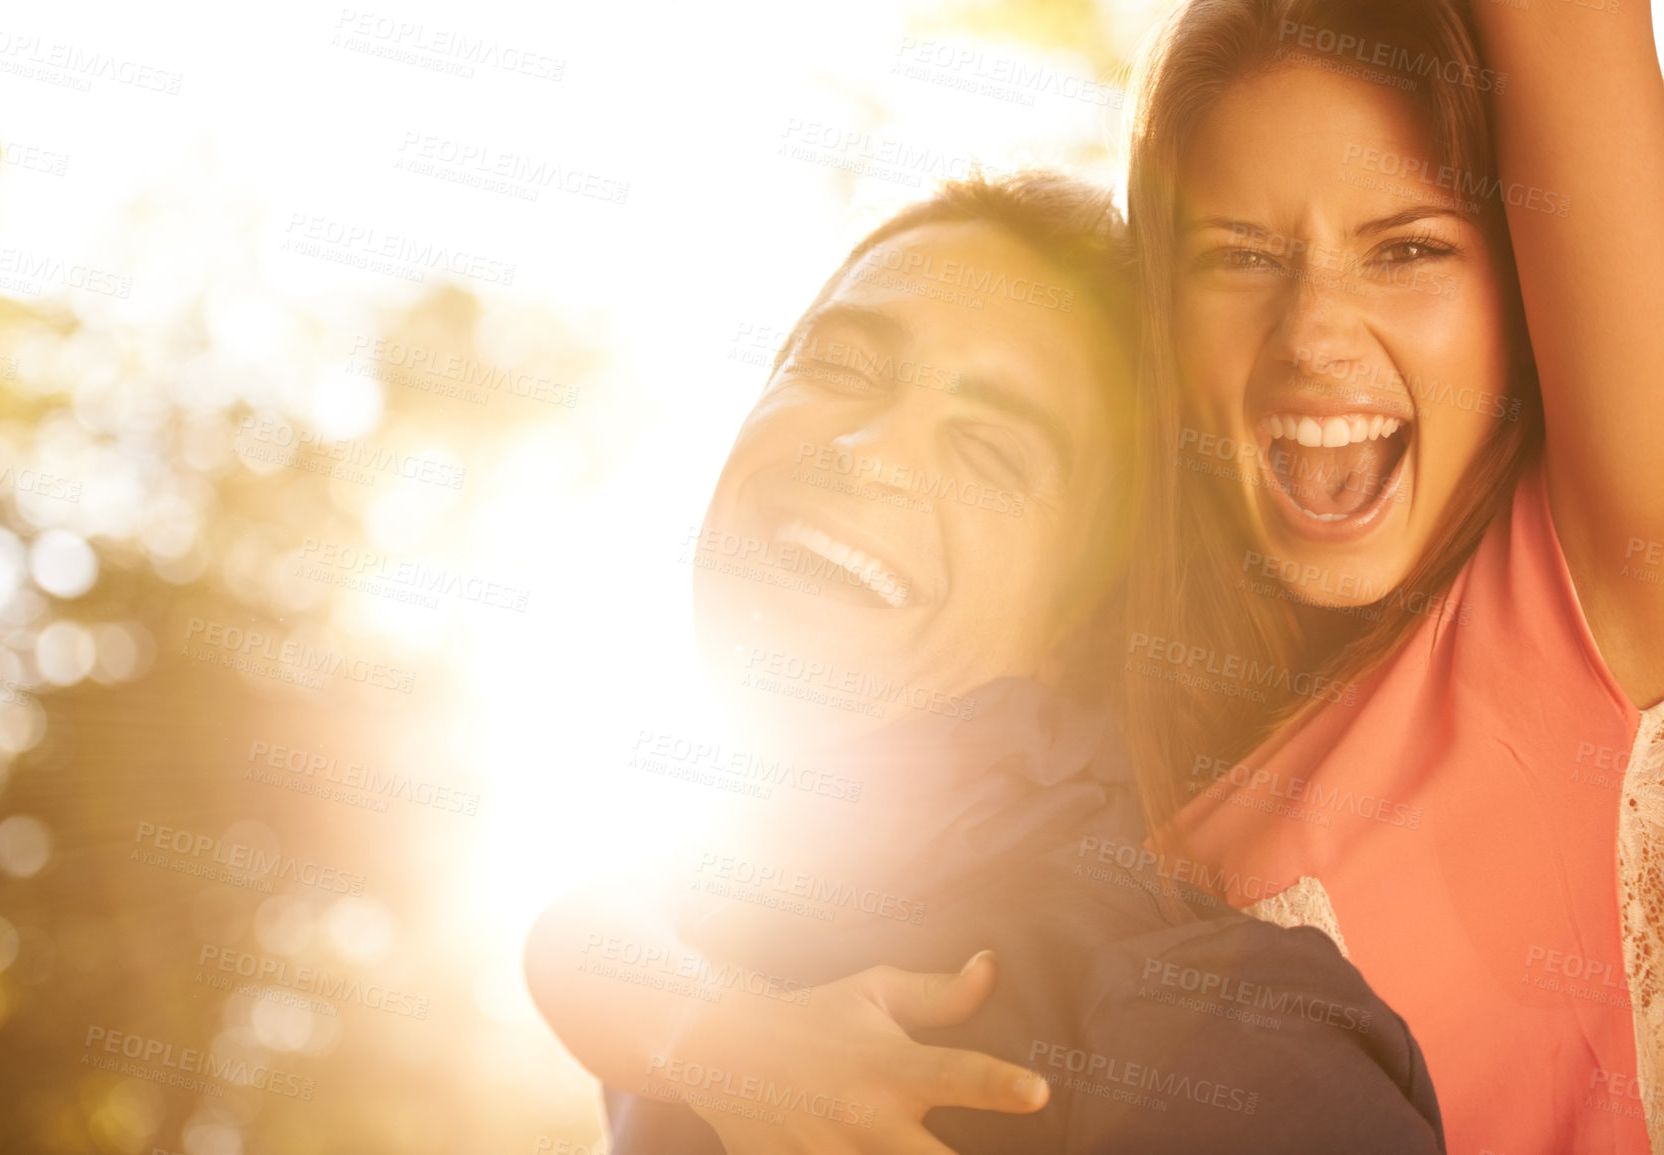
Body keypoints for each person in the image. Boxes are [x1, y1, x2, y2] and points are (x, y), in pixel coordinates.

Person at [525, 174, 1445, 1153]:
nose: (868, 454)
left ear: (1077, 621)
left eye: (993, 452)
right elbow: (588, 926)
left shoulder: (1202, 1031)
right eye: (839, 365)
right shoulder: (728, 906)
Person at [1117, 0, 1664, 1151]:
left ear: (1526, 298)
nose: (1312, 334)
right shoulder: (1114, 765)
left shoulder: (1598, 592)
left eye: (1408, 249)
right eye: (1242, 258)